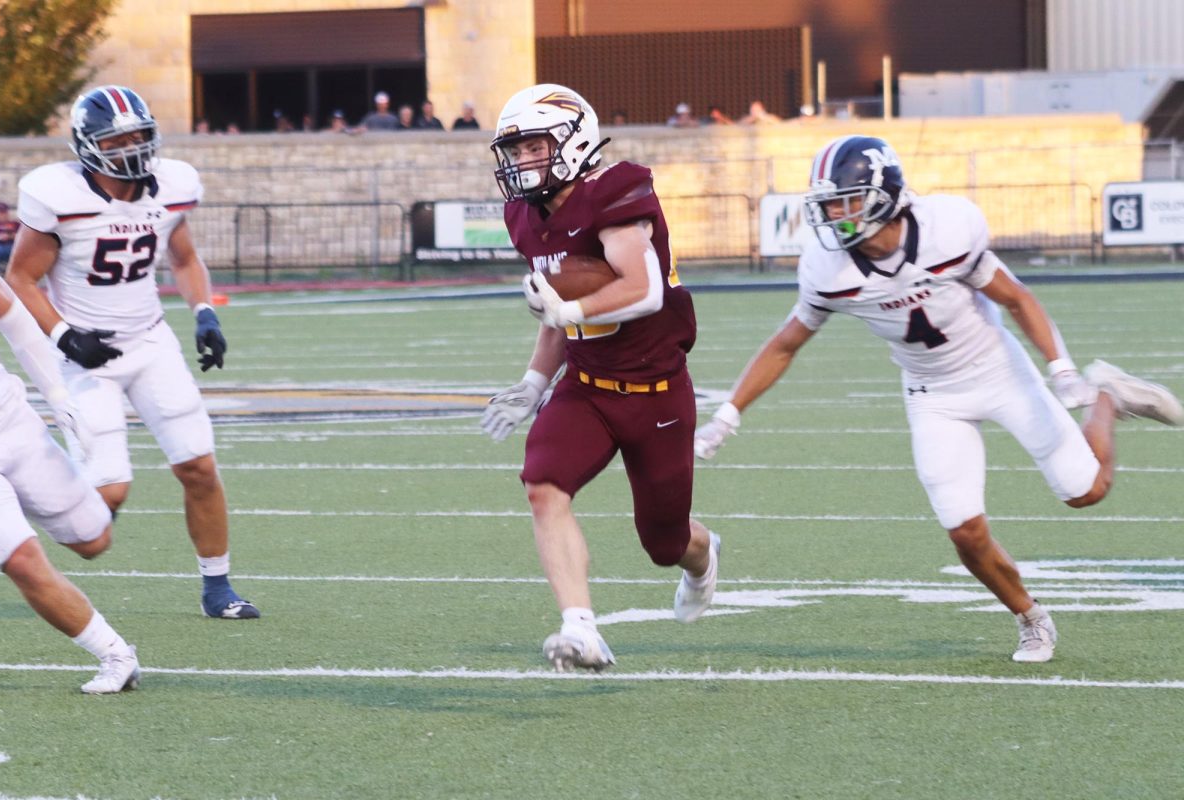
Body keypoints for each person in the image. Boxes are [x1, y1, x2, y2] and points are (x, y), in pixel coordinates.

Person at [693, 135, 1184, 664]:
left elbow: (1017, 298)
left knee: (1084, 490)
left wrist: (1062, 370)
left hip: (1000, 372)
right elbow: (785, 344)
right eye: (829, 203)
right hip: (932, 394)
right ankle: (1031, 619)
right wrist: (727, 415)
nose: (834, 214)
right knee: (965, 532)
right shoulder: (826, 268)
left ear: (884, 195)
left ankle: (1106, 397)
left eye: (846, 200)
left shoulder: (946, 230)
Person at [481, 84, 720, 672]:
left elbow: (642, 291)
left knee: (665, 543)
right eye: (516, 150)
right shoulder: (524, 216)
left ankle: (704, 553)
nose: (523, 162)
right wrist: (534, 384)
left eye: (535, 146)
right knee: (543, 484)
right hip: (587, 386)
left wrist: (571, 311)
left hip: (656, 389)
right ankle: (581, 629)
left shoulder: (616, 190)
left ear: (573, 139)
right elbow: (558, 306)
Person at [5, 85, 260, 621]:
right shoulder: (59, 195)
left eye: (139, 135)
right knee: (108, 501)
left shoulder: (172, 185)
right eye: (117, 139)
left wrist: (203, 313)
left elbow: (185, 259)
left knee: (198, 466)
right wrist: (63, 336)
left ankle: (218, 588)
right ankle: (11, 518)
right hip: (84, 356)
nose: (131, 148)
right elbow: (21, 278)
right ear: (88, 144)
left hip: (150, 342)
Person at [0, 225, 140, 693]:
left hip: (10, 420)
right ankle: (116, 655)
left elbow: (8, 312)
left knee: (93, 540)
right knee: (22, 560)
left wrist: (55, 391)